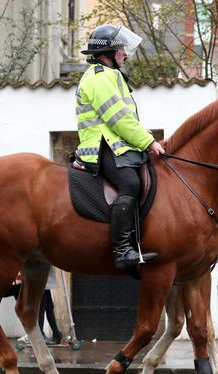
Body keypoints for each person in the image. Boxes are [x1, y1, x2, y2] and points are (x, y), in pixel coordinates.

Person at [76, 24, 165, 270]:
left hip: (116, 144)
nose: (125, 54)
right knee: (131, 183)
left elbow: (126, 118)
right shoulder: (100, 78)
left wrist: (143, 136)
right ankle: (122, 250)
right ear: (109, 52)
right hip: (100, 146)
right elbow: (118, 119)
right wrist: (149, 142)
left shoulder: (109, 76)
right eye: (121, 49)